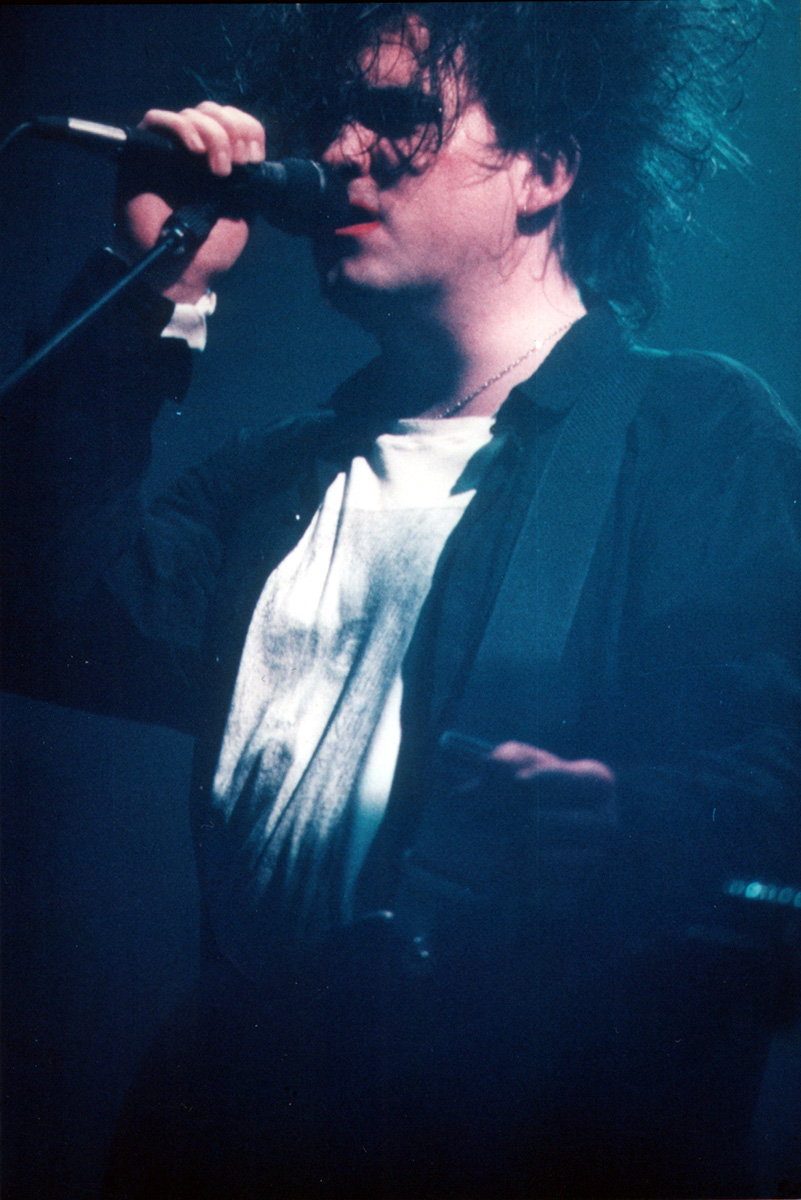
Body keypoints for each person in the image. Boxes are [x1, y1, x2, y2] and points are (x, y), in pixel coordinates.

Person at [2, 3, 799, 1197]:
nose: (338, 150)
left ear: (544, 169)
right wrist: (145, 286)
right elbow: (37, 607)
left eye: (399, 116)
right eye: (332, 115)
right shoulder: (277, 474)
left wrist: (632, 819)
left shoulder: (690, 434)